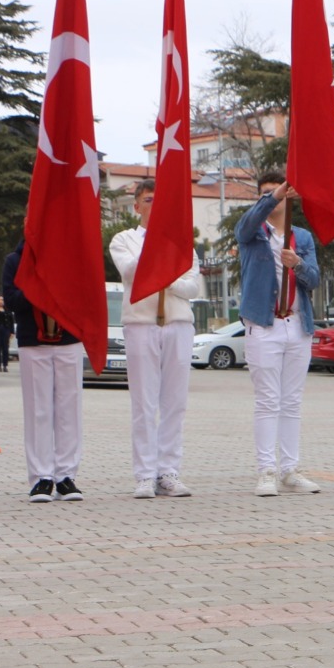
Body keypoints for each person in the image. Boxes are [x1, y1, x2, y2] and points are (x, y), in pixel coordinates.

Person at [110, 178, 202, 500]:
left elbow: (192, 288)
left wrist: (167, 276)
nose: (153, 206)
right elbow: (131, 272)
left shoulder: (182, 244)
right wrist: (158, 255)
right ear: (136, 206)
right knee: (144, 403)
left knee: (174, 402)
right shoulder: (124, 240)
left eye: (158, 201)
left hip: (177, 323)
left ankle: (168, 471)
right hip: (141, 324)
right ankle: (145, 474)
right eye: (148, 200)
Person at [236, 172, 322, 497]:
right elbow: (245, 224)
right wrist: (272, 196)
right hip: (264, 323)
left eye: (277, 193)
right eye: (264, 194)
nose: (270, 198)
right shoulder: (252, 233)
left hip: (297, 325)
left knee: (292, 401)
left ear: (290, 198)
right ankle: (266, 470)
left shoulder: (301, 236)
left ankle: (290, 469)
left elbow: (313, 280)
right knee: (267, 400)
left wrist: (297, 264)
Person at [4, 239, 86, 501]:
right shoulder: (14, 260)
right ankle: (41, 477)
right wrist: (39, 286)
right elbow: (12, 300)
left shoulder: (71, 257)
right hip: (33, 341)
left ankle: (66, 476)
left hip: (68, 339)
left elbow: (83, 295)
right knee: (38, 410)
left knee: (68, 410)